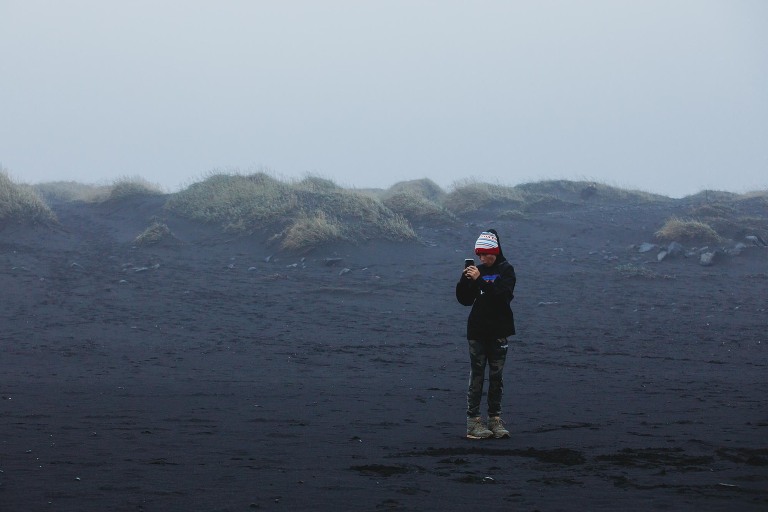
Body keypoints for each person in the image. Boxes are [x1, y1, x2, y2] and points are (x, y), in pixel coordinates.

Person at [455, 229, 516, 439]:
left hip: (499, 331)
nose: (482, 258)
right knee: (477, 376)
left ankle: (494, 420)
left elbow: (502, 297)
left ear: (495, 252)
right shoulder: (477, 271)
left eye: (485, 254)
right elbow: (464, 300)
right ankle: (473, 422)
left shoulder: (506, 271)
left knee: (496, 377)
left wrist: (480, 280)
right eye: (478, 254)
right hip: (477, 331)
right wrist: (465, 280)